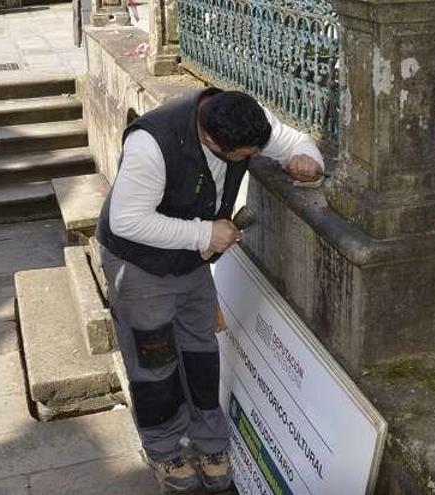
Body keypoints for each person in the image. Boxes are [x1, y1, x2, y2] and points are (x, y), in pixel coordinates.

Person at [97, 88, 323, 493]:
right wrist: (206, 232)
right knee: (155, 361)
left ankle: (210, 443)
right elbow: (126, 220)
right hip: (139, 263)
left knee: (200, 351)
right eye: (242, 156)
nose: (251, 157)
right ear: (212, 142)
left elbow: (291, 142)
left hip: (190, 260)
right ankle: (165, 449)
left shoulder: (241, 118)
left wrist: (309, 160)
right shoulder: (152, 144)